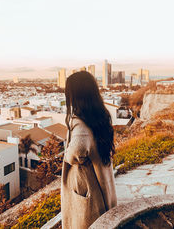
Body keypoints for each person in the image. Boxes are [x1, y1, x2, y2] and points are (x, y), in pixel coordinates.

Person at [61, 71, 117, 229]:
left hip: (86, 190)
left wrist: (67, 156)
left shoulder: (80, 123)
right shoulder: (99, 117)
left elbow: (78, 149)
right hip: (100, 186)